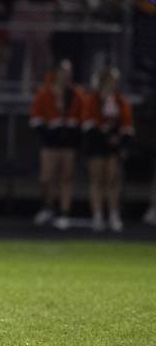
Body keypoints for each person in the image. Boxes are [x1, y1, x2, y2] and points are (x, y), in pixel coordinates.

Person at [29, 60, 84, 229]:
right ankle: (47, 207)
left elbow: (83, 115)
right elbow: (36, 118)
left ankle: (64, 212)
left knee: (66, 177)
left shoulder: (76, 94)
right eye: (62, 72)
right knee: (47, 177)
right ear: (56, 74)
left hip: (68, 141)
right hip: (51, 141)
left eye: (68, 73)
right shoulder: (45, 94)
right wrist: (48, 132)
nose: (65, 76)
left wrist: (74, 132)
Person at [82, 66, 134, 232]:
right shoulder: (92, 100)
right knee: (97, 180)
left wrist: (118, 139)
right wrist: (103, 135)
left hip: (114, 146)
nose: (112, 84)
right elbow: (87, 122)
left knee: (112, 181)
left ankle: (113, 214)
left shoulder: (120, 101)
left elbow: (127, 124)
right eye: (109, 81)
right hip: (97, 144)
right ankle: (97, 216)